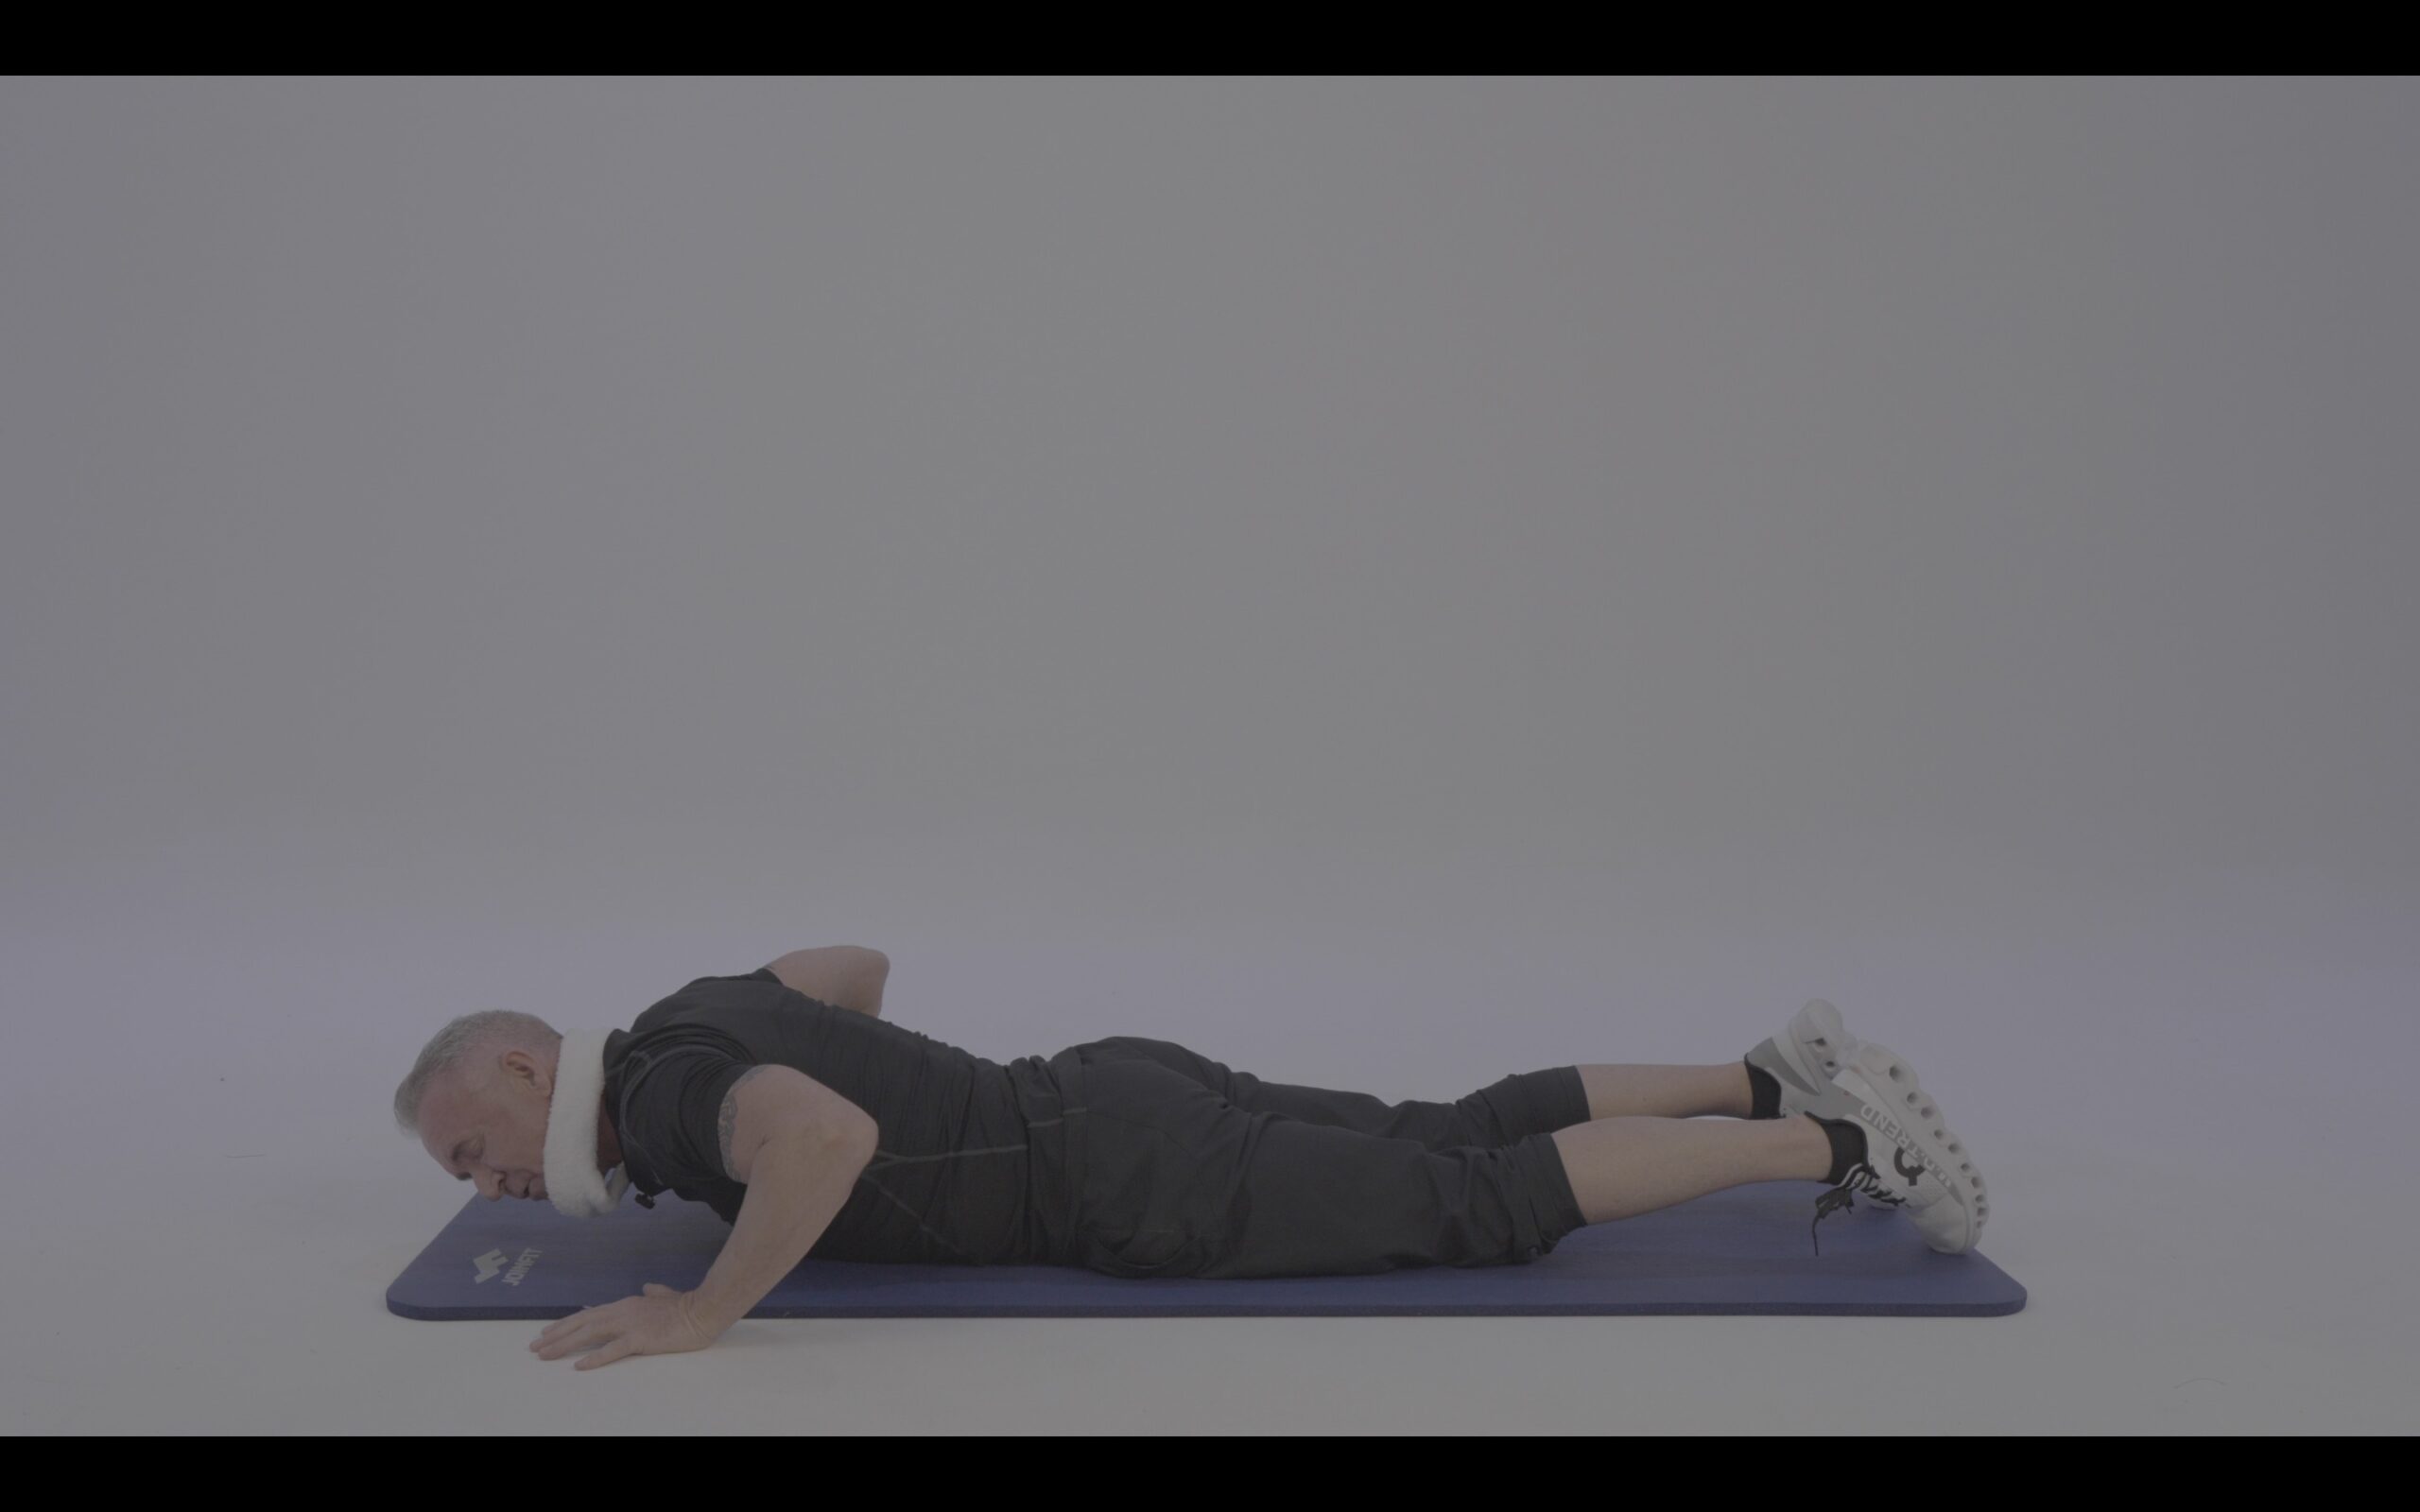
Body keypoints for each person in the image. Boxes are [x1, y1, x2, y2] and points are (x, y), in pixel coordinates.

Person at [398, 955, 1989, 1287]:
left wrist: (704, 1313)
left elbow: (820, 1140)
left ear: (534, 1076)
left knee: (1487, 1200)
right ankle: (1764, 1075)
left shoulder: (666, 1099)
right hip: (1109, 1085)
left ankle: (1843, 1144)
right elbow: (847, 972)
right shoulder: (687, 1011)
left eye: (472, 1151)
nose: (486, 1186)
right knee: (1446, 1129)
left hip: (1121, 1177)